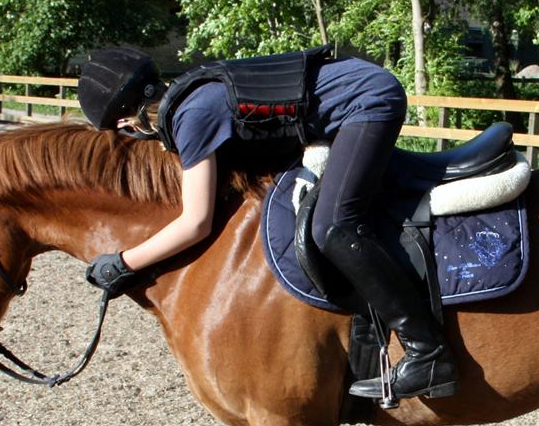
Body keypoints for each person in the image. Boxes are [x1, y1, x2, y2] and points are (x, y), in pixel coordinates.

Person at [76, 47, 457, 401]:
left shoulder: (192, 116)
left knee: (334, 226)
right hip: (354, 92)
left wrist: (125, 262)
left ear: (129, 120)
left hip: (368, 102)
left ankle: (428, 352)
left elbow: (195, 223)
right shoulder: (190, 97)